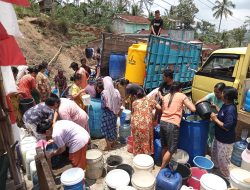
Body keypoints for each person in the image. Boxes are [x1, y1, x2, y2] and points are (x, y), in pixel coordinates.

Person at [160, 82, 196, 169]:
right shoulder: (181, 95)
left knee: (164, 146)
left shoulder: (165, 96)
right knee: (171, 149)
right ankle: (162, 169)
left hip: (162, 122)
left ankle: (163, 164)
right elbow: (193, 109)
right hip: (172, 124)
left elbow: (163, 110)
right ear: (179, 89)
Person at [210, 86, 238, 178]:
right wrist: (216, 108)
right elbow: (222, 114)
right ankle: (216, 173)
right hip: (218, 137)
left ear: (226, 96)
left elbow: (226, 127)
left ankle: (226, 178)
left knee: (223, 161)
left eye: (222, 92)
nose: (220, 93)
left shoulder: (231, 110)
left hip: (225, 141)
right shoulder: (226, 105)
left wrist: (215, 119)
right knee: (215, 156)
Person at [128, 84, 156, 155]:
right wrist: (155, 116)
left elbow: (133, 113)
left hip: (136, 124)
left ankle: (138, 155)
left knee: (137, 140)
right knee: (145, 141)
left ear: (136, 96)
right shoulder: (150, 100)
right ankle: (146, 156)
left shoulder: (134, 103)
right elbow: (159, 107)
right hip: (146, 124)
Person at [196, 82, 226, 149]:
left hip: (219, 121)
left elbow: (224, 114)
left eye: (217, 92)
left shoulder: (225, 100)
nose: (215, 94)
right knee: (208, 135)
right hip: (211, 119)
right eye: (214, 91)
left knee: (215, 137)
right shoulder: (212, 95)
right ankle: (208, 148)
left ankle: (212, 149)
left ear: (223, 92)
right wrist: (197, 106)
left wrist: (215, 116)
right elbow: (199, 101)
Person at [101, 76, 122, 151]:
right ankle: (114, 142)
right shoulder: (116, 91)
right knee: (113, 128)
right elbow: (120, 102)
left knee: (105, 130)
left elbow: (103, 105)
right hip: (114, 113)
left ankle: (109, 146)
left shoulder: (104, 93)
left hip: (107, 114)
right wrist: (117, 110)